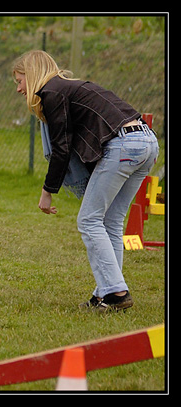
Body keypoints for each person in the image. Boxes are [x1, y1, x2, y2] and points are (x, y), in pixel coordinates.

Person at [12, 50, 159, 311]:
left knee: (89, 219)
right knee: (110, 220)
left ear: (33, 75)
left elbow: (61, 148)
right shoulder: (68, 87)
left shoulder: (52, 92)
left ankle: (115, 292)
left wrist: (47, 191)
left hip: (124, 146)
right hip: (147, 141)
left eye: (20, 80)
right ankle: (106, 292)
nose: (19, 88)